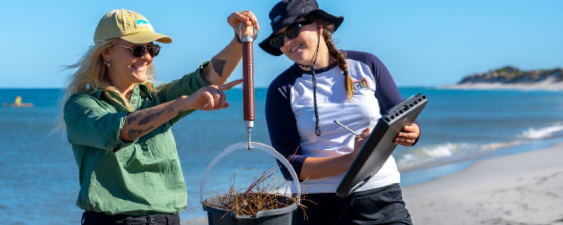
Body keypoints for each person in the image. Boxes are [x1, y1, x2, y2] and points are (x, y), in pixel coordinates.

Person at [61, 9, 258, 225]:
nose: (147, 57)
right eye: (137, 49)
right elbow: (117, 130)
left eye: (152, 49)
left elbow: (207, 77)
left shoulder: (156, 97)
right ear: (106, 52)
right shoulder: (81, 105)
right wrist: (183, 104)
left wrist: (240, 39)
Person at [259, 0, 421, 224]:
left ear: (318, 24)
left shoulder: (366, 64)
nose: (287, 42)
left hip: (381, 197)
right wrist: (353, 159)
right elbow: (289, 166)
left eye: (293, 30)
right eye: (279, 39)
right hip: (317, 208)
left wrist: (412, 133)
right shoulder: (282, 89)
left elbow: (400, 117)